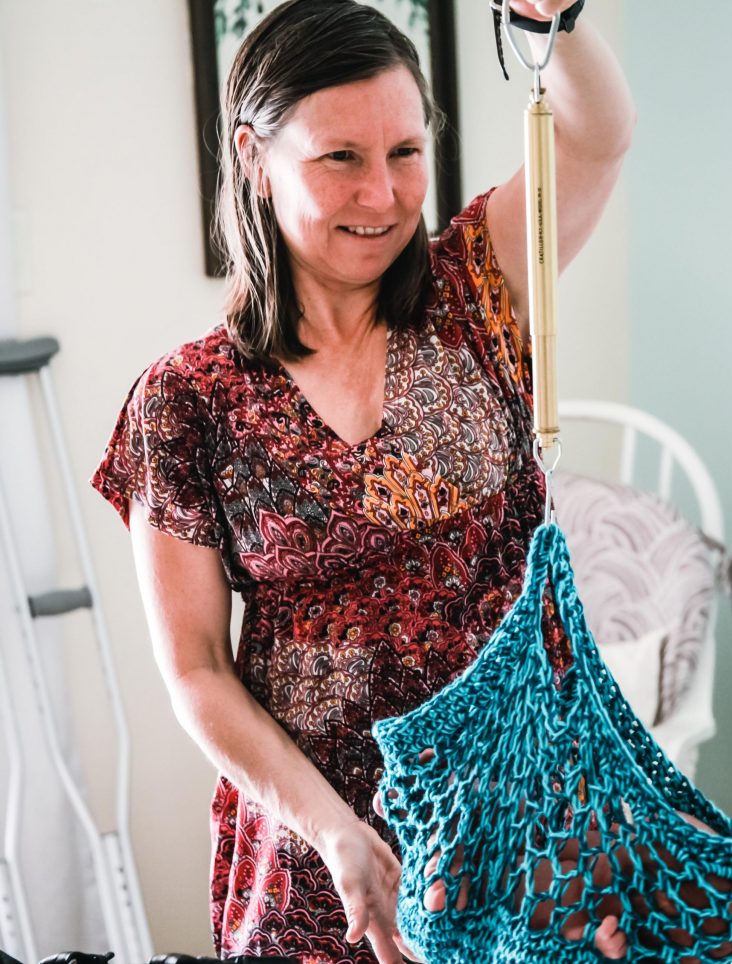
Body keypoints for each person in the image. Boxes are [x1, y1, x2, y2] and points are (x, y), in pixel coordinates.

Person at [91, 1, 637, 960]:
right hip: (321, 867)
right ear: (256, 157)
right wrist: (332, 829)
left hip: (519, 829)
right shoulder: (185, 402)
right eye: (340, 157)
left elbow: (597, 139)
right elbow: (197, 672)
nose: (382, 195)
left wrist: (557, 17)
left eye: (406, 152)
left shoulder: (478, 291)